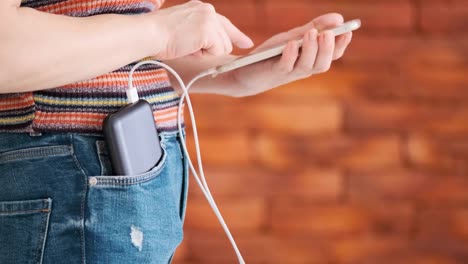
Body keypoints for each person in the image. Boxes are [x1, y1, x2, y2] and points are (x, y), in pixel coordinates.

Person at [0, 0, 353, 263]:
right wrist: (161, 30)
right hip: (70, 176)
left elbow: (115, 45)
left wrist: (235, 74)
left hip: (130, 174)